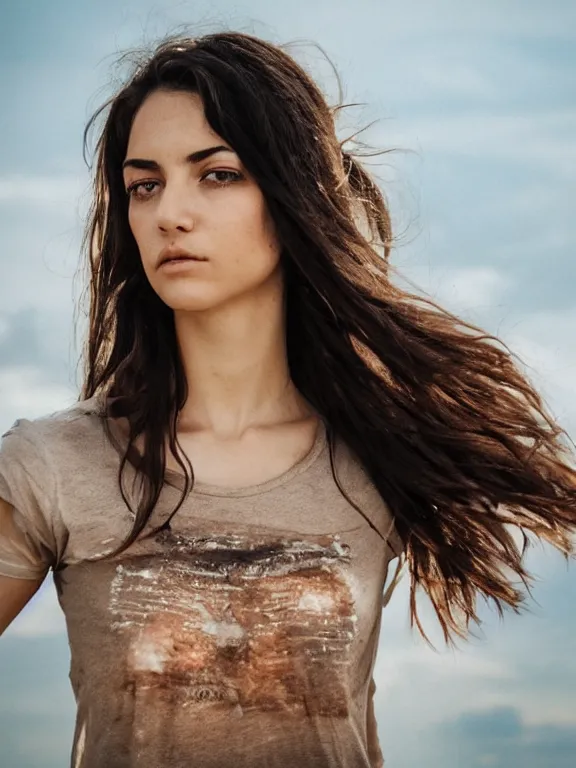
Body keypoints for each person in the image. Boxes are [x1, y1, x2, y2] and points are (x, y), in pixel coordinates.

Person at [0, 29, 575, 768]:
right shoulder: (52, 465)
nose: (171, 211)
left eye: (218, 174)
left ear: (294, 191)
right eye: (145, 184)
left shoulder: (378, 453)